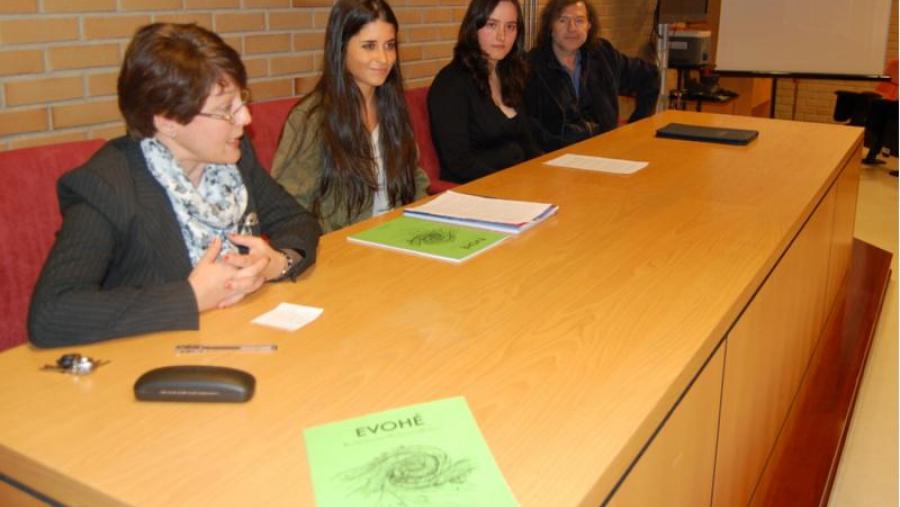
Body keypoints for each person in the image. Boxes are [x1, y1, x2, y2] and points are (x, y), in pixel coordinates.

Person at [28, 23, 321, 347]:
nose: (245, 119)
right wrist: (190, 297)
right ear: (167, 121)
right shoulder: (108, 185)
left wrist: (276, 263)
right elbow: (51, 313)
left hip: (243, 338)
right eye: (226, 110)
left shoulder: (232, 158)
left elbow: (297, 220)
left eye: (242, 101)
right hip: (148, 363)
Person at [273, 0, 429, 233]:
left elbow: (415, 180)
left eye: (389, 45)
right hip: (343, 251)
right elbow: (288, 208)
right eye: (369, 46)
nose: (384, 58)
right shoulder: (312, 119)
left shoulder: (392, 107)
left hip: (400, 235)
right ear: (341, 47)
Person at [427, 0, 542, 184]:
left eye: (510, 27)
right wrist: (510, 181)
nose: (502, 36)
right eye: (492, 24)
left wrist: (547, 169)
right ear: (474, 27)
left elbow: (528, 143)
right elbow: (458, 162)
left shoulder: (509, 74)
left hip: (517, 182)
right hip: (476, 190)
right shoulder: (451, 83)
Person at [525, 0, 660, 152]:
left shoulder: (602, 55)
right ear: (550, 26)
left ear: (589, 26)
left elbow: (649, 76)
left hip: (605, 153)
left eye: (579, 20)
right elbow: (527, 131)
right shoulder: (530, 67)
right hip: (555, 158)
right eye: (563, 20)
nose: (572, 28)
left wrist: (637, 128)